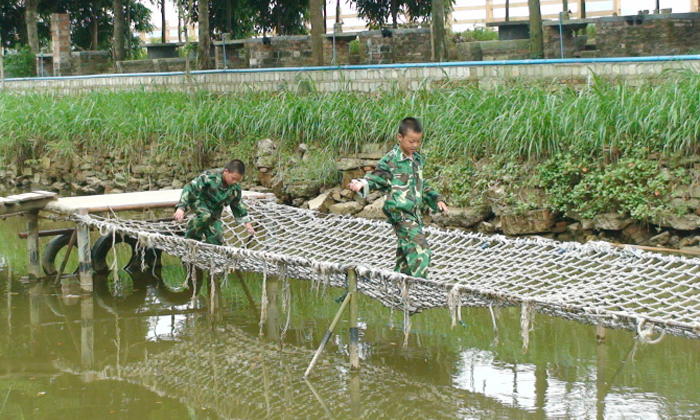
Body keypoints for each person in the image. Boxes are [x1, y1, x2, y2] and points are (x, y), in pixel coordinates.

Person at [348, 117, 448, 279]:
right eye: (411, 141)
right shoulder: (390, 160)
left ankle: (398, 291)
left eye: (418, 141)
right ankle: (420, 289)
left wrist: (437, 199)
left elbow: (423, 185)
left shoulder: (417, 160)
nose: (415, 145)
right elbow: (376, 178)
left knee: (405, 256)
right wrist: (362, 183)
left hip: (414, 215)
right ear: (400, 137)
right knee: (421, 250)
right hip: (400, 214)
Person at [173, 159, 256, 245]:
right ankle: (191, 240)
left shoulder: (234, 188)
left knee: (217, 237)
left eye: (237, 180)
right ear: (226, 171)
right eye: (233, 178)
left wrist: (247, 223)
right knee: (205, 216)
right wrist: (181, 207)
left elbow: (237, 203)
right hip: (200, 201)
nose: (235, 182)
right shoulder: (210, 177)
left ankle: (207, 255)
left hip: (214, 210)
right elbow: (190, 188)